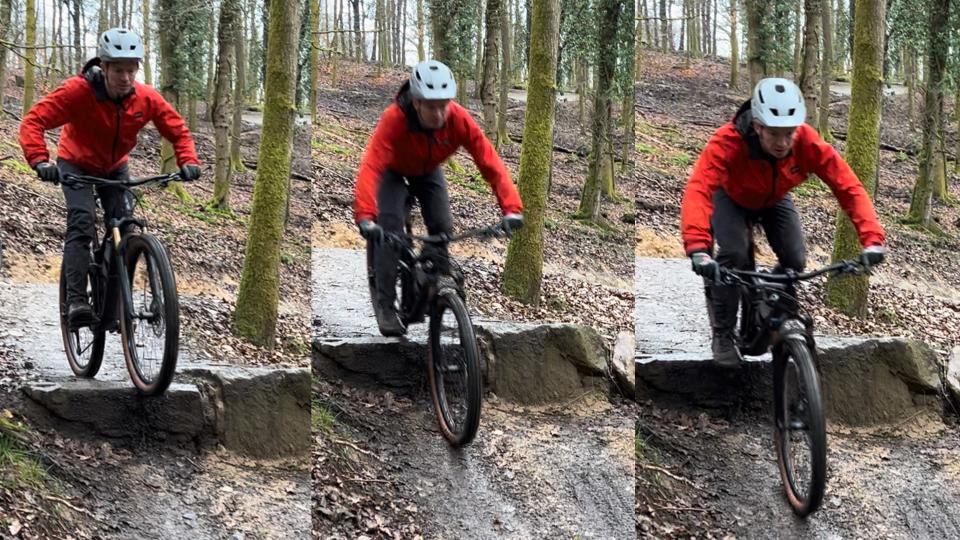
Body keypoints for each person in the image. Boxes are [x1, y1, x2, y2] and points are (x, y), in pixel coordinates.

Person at [680, 77, 887, 367]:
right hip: (730, 196)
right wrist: (698, 248)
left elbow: (848, 186)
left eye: (789, 133)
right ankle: (723, 334)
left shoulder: (807, 142)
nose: (782, 142)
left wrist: (872, 240)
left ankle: (772, 304)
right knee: (735, 254)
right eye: (774, 134)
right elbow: (699, 188)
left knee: (795, 258)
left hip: (774, 199)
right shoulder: (728, 141)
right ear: (757, 126)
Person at [19, 28, 201, 328]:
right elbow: (34, 121)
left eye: (131, 70)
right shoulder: (78, 92)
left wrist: (188, 160)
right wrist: (40, 160)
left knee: (125, 229)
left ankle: (115, 305)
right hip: (75, 164)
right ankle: (76, 300)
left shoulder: (145, 97)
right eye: (118, 70)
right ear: (103, 67)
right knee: (82, 221)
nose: (125, 77)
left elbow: (177, 129)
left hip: (115, 167)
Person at [353, 60, 524, 337]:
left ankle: (434, 289)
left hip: (428, 170)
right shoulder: (394, 119)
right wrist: (365, 216)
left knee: (442, 227)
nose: (439, 113)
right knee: (390, 227)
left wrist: (511, 208)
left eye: (444, 104)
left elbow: (488, 160)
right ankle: (386, 304)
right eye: (431, 107)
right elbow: (371, 166)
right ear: (417, 103)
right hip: (393, 172)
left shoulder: (457, 118)